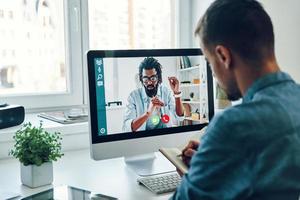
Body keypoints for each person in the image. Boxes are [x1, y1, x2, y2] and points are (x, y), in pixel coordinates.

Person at [172, 0, 300, 199]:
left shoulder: (233, 125)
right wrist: (212, 161)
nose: (212, 73)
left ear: (223, 56)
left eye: (209, 61)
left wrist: (197, 174)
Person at [123, 57, 184, 132]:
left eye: (153, 78)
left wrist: (177, 93)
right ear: (141, 79)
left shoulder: (166, 92)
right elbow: (128, 128)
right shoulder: (133, 97)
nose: (149, 83)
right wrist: (148, 113)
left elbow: (180, 117)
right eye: (145, 79)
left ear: (159, 78)